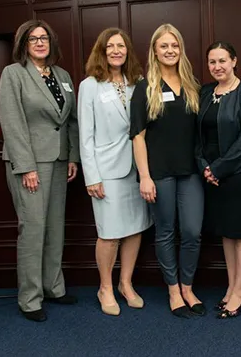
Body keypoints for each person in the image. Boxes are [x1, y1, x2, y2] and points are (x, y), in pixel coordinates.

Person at [0, 19, 80, 322]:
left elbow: (69, 121)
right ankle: (30, 299)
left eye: (44, 38)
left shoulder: (62, 75)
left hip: (59, 161)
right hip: (29, 164)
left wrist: (72, 156)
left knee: (54, 226)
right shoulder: (14, 74)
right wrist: (26, 167)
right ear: (23, 44)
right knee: (33, 229)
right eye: (33, 39)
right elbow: (12, 122)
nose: (40, 43)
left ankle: (53, 286)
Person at [130, 23, 205, 318]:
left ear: (180, 49)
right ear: (154, 50)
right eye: (164, 46)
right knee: (164, 232)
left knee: (192, 231)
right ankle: (173, 290)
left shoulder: (192, 85)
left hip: (190, 171)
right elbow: (138, 136)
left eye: (174, 45)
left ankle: (187, 286)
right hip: (158, 172)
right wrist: (145, 176)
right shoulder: (144, 87)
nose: (170, 50)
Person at [78, 28, 152, 316]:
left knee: (135, 229)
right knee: (109, 233)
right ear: (102, 51)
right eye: (110, 46)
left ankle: (125, 283)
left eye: (121, 46)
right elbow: (85, 134)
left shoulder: (138, 83)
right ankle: (105, 287)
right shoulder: (90, 86)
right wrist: (91, 176)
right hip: (106, 170)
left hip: (138, 168)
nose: (116, 51)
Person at [196, 41, 241, 318]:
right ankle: (231, 286)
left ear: (234, 61)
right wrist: (204, 167)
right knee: (226, 232)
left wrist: (220, 168)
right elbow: (196, 134)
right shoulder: (204, 92)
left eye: (223, 60)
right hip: (212, 175)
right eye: (212, 62)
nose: (217, 67)